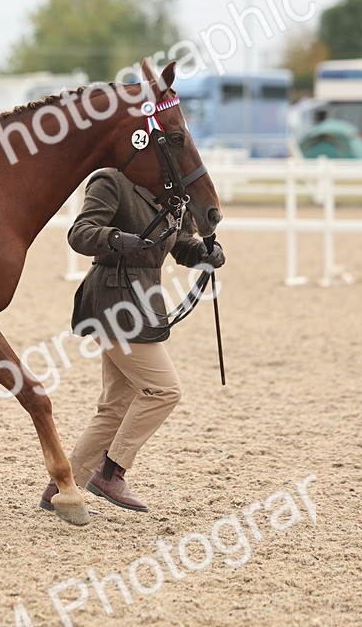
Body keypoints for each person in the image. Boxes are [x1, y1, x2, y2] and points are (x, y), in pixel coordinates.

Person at [41, 168, 225, 513]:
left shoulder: (172, 194)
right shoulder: (112, 181)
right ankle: (111, 472)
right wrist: (115, 238)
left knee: (116, 405)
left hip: (144, 301)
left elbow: (180, 245)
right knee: (163, 389)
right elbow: (80, 233)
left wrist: (204, 254)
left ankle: (62, 486)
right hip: (113, 301)